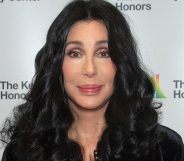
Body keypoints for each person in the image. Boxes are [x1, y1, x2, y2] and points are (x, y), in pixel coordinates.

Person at [0, 0, 183, 161]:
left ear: (121, 64)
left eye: (103, 53)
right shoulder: (23, 152)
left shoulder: (164, 148)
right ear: (56, 65)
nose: (90, 69)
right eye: (75, 53)